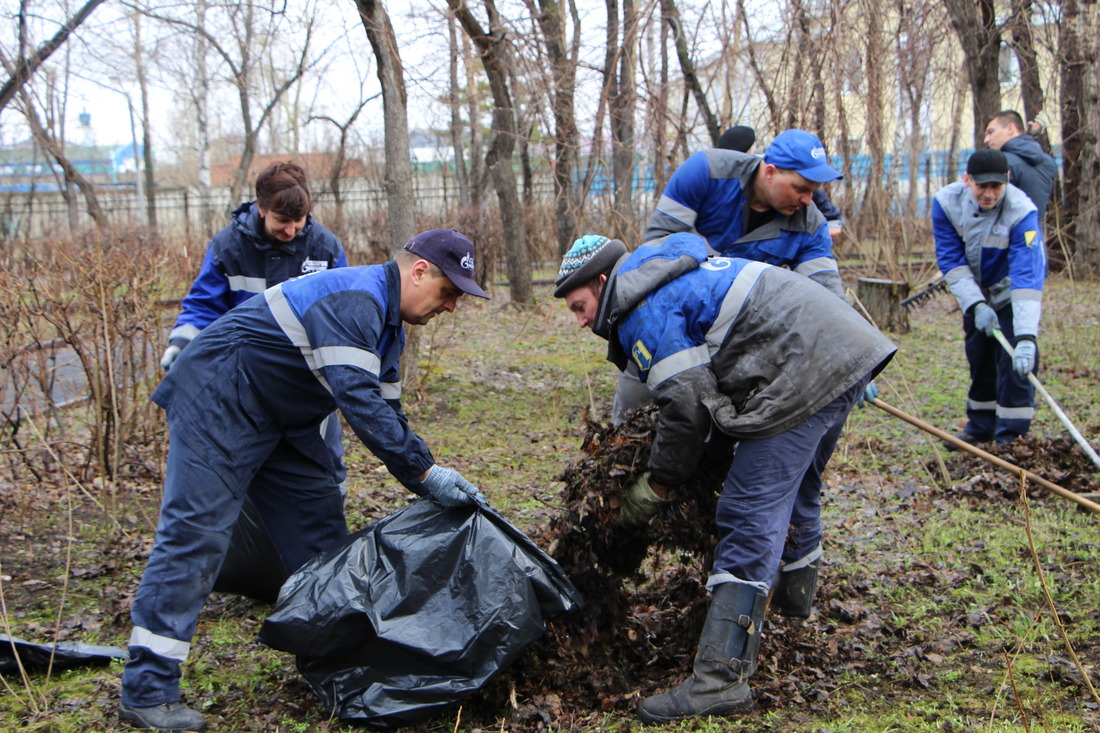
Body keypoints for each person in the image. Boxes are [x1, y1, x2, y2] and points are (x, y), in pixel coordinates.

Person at [119, 230, 490, 732]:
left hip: (285, 420)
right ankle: (147, 690)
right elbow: (360, 404)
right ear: (419, 271)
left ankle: (341, 669)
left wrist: (426, 470)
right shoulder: (354, 300)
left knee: (322, 545)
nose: (450, 308)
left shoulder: (388, 327)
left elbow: (388, 411)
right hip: (221, 399)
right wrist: (425, 474)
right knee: (196, 537)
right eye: (449, 292)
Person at [553, 232, 896, 723]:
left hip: (803, 365)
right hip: (838, 345)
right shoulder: (658, 269)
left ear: (603, 282)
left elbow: (687, 407)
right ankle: (790, 606)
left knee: (747, 508)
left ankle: (720, 678)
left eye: (579, 306)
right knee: (798, 488)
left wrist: (658, 486)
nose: (582, 320)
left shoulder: (642, 311)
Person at [615, 129, 849, 425]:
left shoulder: (810, 225)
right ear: (771, 172)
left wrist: (849, 360)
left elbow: (828, 297)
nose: (808, 200)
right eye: (801, 188)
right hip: (666, 318)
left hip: (735, 338)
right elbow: (655, 249)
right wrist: (717, 268)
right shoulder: (707, 172)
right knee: (634, 419)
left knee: (704, 428)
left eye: (814, 191)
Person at [161, 161, 349, 482]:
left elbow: (343, 312)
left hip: (307, 383)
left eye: (298, 221)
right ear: (261, 208)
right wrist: (181, 343)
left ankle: (327, 529)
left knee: (324, 467)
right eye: (281, 221)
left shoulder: (324, 248)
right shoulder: (229, 247)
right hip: (244, 383)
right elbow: (204, 305)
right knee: (245, 468)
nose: (291, 230)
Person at [932, 149, 1045, 447]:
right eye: (982, 186)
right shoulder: (947, 203)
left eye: (996, 186)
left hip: (1011, 294)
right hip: (976, 294)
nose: (989, 194)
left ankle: (1012, 438)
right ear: (967, 180)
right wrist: (976, 305)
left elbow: (1027, 277)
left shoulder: (1022, 211)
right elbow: (951, 261)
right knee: (979, 358)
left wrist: (1025, 337)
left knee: (1014, 366)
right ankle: (980, 427)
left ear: (1007, 180)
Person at [717, 125, 845, 240]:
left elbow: (811, 192)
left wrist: (831, 221)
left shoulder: (784, 168)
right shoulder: (722, 182)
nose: (807, 198)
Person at [982, 110, 1057, 222]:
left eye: (991, 132)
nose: (986, 140)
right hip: (1034, 235)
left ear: (1010, 129)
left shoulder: (1000, 161)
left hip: (1005, 237)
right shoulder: (1048, 163)